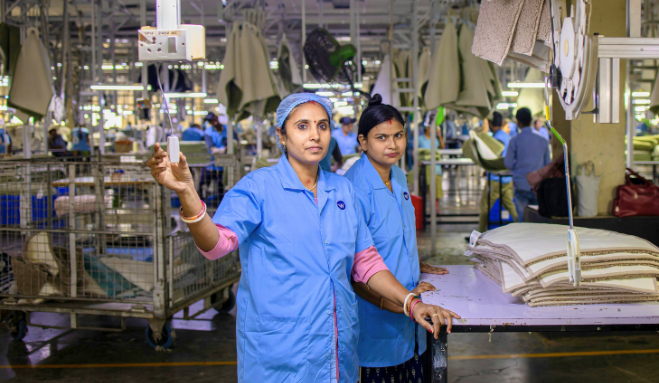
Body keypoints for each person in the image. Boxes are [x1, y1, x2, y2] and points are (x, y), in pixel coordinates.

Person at [146, 93, 459, 382]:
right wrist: (187, 192)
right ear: (281, 135)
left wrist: (411, 303)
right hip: (280, 349)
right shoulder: (258, 188)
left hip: (337, 346)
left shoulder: (342, 190)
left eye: (322, 126)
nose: (315, 135)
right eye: (302, 126)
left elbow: (366, 261)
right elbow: (215, 245)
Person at [345, 94, 449, 382]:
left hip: (412, 314)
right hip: (377, 325)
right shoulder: (352, 189)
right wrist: (402, 305)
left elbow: (395, 234)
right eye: (381, 137)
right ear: (363, 142)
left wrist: (412, 260)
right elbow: (354, 273)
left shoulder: (399, 176)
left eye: (398, 135)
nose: (392, 145)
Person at [504, 108, 551, 217]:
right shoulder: (543, 141)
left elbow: (508, 164)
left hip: (521, 184)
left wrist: (518, 164)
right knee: (537, 219)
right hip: (537, 187)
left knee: (523, 219)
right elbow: (548, 165)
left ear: (518, 123)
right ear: (531, 121)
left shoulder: (514, 141)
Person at [479, 112, 517, 232]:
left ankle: (479, 235)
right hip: (506, 179)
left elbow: (495, 157)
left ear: (490, 123)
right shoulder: (507, 136)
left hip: (495, 180)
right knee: (511, 208)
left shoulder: (496, 139)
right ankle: (525, 228)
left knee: (485, 207)